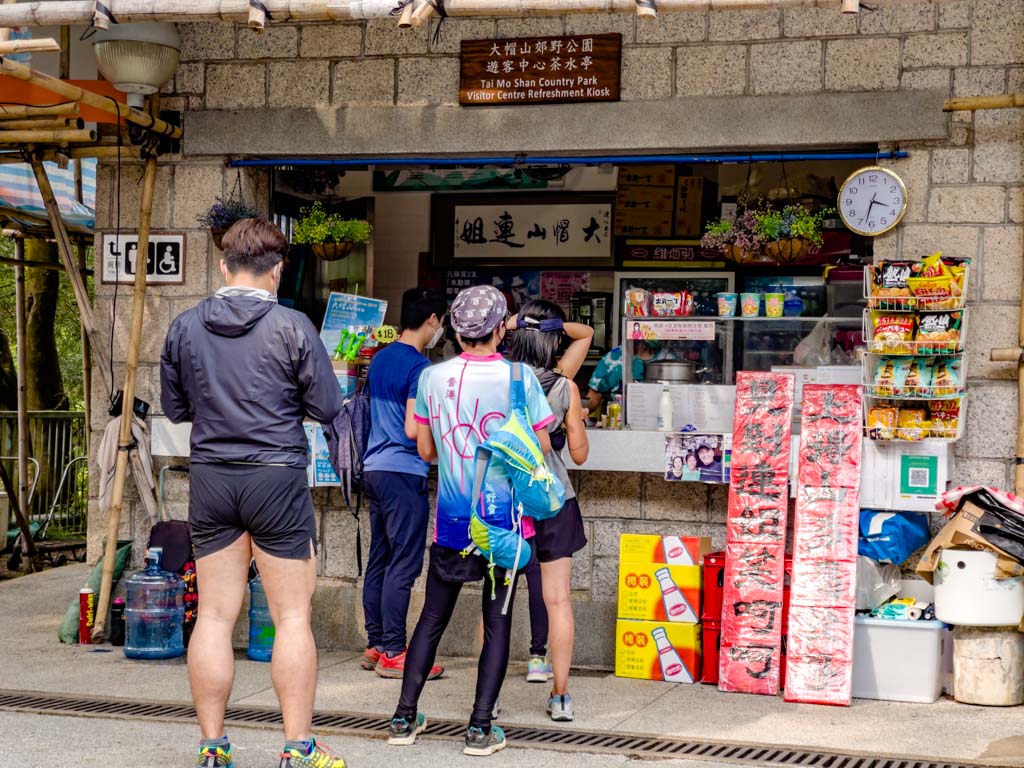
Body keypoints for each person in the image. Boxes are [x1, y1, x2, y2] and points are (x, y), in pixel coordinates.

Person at [160, 218, 347, 768]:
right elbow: (328, 406)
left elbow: (175, 408)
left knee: (215, 616)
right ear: (278, 270)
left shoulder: (184, 326)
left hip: (212, 478)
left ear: (224, 266)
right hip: (276, 478)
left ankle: (213, 747)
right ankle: (298, 747)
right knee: (291, 618)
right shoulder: (293, 326)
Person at [387, 285, 554, 757]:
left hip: (453, 520)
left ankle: (403, 717)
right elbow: (541, 447)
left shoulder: (431, 378)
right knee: (497, 622)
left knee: (431, 618)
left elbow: (424, 449)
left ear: (456, 331)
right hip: (505, 525)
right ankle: (480, 729)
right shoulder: (521, 378)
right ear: (501, 328)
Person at [507, 300, 591, 721]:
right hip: (554, 498)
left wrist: (513, 322)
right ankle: (560, 696)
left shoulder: (498, 380)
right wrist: (577, 422)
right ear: (553, 339)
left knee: (497, 598)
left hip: (505, 500)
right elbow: (579, 454)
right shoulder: (564, 388)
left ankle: (489, 698)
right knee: (557, 600)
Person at [360, 288, 447, 680]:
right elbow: (414, 428)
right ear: (432, 320)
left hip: (375, 469)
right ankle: (395, 651)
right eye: (441, 322)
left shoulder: (380, 358)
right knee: (404, 562)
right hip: (403, 471)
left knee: (380, 557)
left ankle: (376, 643)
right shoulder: (421, 368)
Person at [585, 341, 660, 413]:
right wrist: (581, 413)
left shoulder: (666, 357)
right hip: (619, 418)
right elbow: (594, 397)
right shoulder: (614, 358)